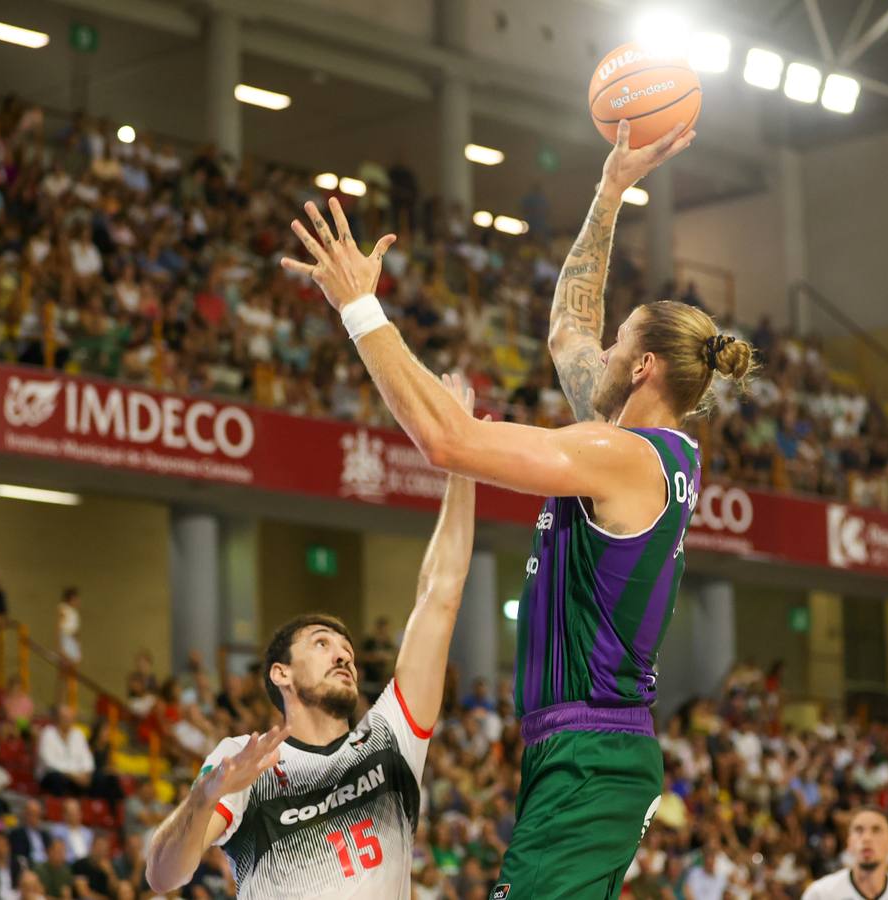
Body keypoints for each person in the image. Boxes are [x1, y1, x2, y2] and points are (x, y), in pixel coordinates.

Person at [283, 119, 748, 899]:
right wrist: (609, 190)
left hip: (590, 754)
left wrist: (360, 307)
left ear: (642, 367)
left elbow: (447, 441)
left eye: (617, 344)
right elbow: (567, 326)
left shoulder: (619, 456)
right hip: (586, 752)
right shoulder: (645, 452)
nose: (598, 351)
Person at [145, 376, 479, 899]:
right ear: (281, 673)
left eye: (346, 650)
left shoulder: (392, 737)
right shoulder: (250, 760)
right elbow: (163, 876)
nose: (343, 655)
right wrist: (202, 799)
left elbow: (441, 595)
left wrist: (462, 456)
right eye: (322, 643)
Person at [800, 808, 888, 899]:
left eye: (876, 830)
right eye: (859, 830)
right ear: (849, 844)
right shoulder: (821, 894)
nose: (866, 838)